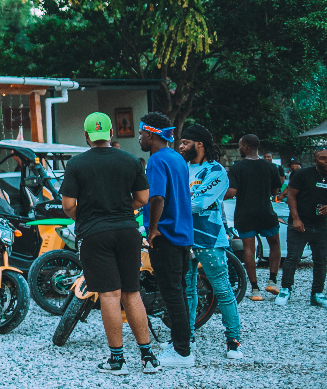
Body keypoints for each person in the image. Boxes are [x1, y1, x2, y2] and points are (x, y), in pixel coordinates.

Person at [60, 112, 157, 375]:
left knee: (110, 295)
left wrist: (89, 216)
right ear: (111, 133)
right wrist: (122, 209)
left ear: (86, 135)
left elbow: (68, 205)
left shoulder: (76, 164)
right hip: (127, 230)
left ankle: (117, 360)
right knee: (132, 292)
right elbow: (143, 198)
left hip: (95, 235)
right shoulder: (130, 160)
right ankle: (148, 357)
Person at [178, 125, 243, 358]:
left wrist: (171, 207)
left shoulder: (216, 171)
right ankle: (188, 337)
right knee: (187, 291)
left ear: (200, 144)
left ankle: (233, 340)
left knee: (222, 289)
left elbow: (199, 203)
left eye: (185, 142)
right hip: (183, 238)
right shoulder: (182, 168)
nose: (181, 146)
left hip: (210, 238)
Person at [138, 111, 195, 368]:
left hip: (166, 235)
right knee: (179, 291)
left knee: (171, 293)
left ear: (151, 135)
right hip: (183, 234)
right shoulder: (177, 158)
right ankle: (182, 342)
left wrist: (152, 230)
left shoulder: (157, 160)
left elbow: (157, 197)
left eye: (141, 133)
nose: (139, 138)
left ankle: (182, 353)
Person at [226, 134, 283, 300]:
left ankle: (255, 289)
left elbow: (232, 192)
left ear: (245, 147)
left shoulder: (237, 168)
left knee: (249, 249)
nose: (239, 148)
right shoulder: (271, 167)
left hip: (244, 213)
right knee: (274, 244)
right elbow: (274, 191)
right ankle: (272, 280)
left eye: (239, 146)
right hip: (266, 211)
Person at [276, 147, 327, 307]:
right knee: (293, 258)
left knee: (321, 260)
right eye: (322, 158)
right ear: (315, 160)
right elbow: (291, 195)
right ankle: (285, 289)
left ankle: (317, 293)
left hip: (322, 225)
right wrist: (296, 219)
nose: (326, 161)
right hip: (300, 223)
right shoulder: (303, 174)